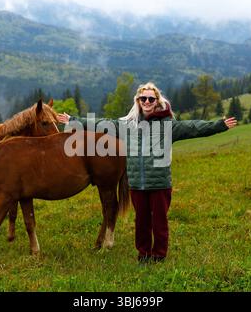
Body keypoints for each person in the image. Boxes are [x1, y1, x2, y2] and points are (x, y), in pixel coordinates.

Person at [57, 82, 237, 263]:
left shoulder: (168, 126)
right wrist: (74, 121)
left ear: (157, 101)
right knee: (141, 222)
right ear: (138, 101)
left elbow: (194, 127)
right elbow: (101, 124)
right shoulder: (128, 125)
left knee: (159, 223)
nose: (147, 101)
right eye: (143, 98)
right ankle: (143, 254)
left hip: (159, 184)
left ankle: (159, 256)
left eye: (151, 98)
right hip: (136, 184)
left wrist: (219, 125)